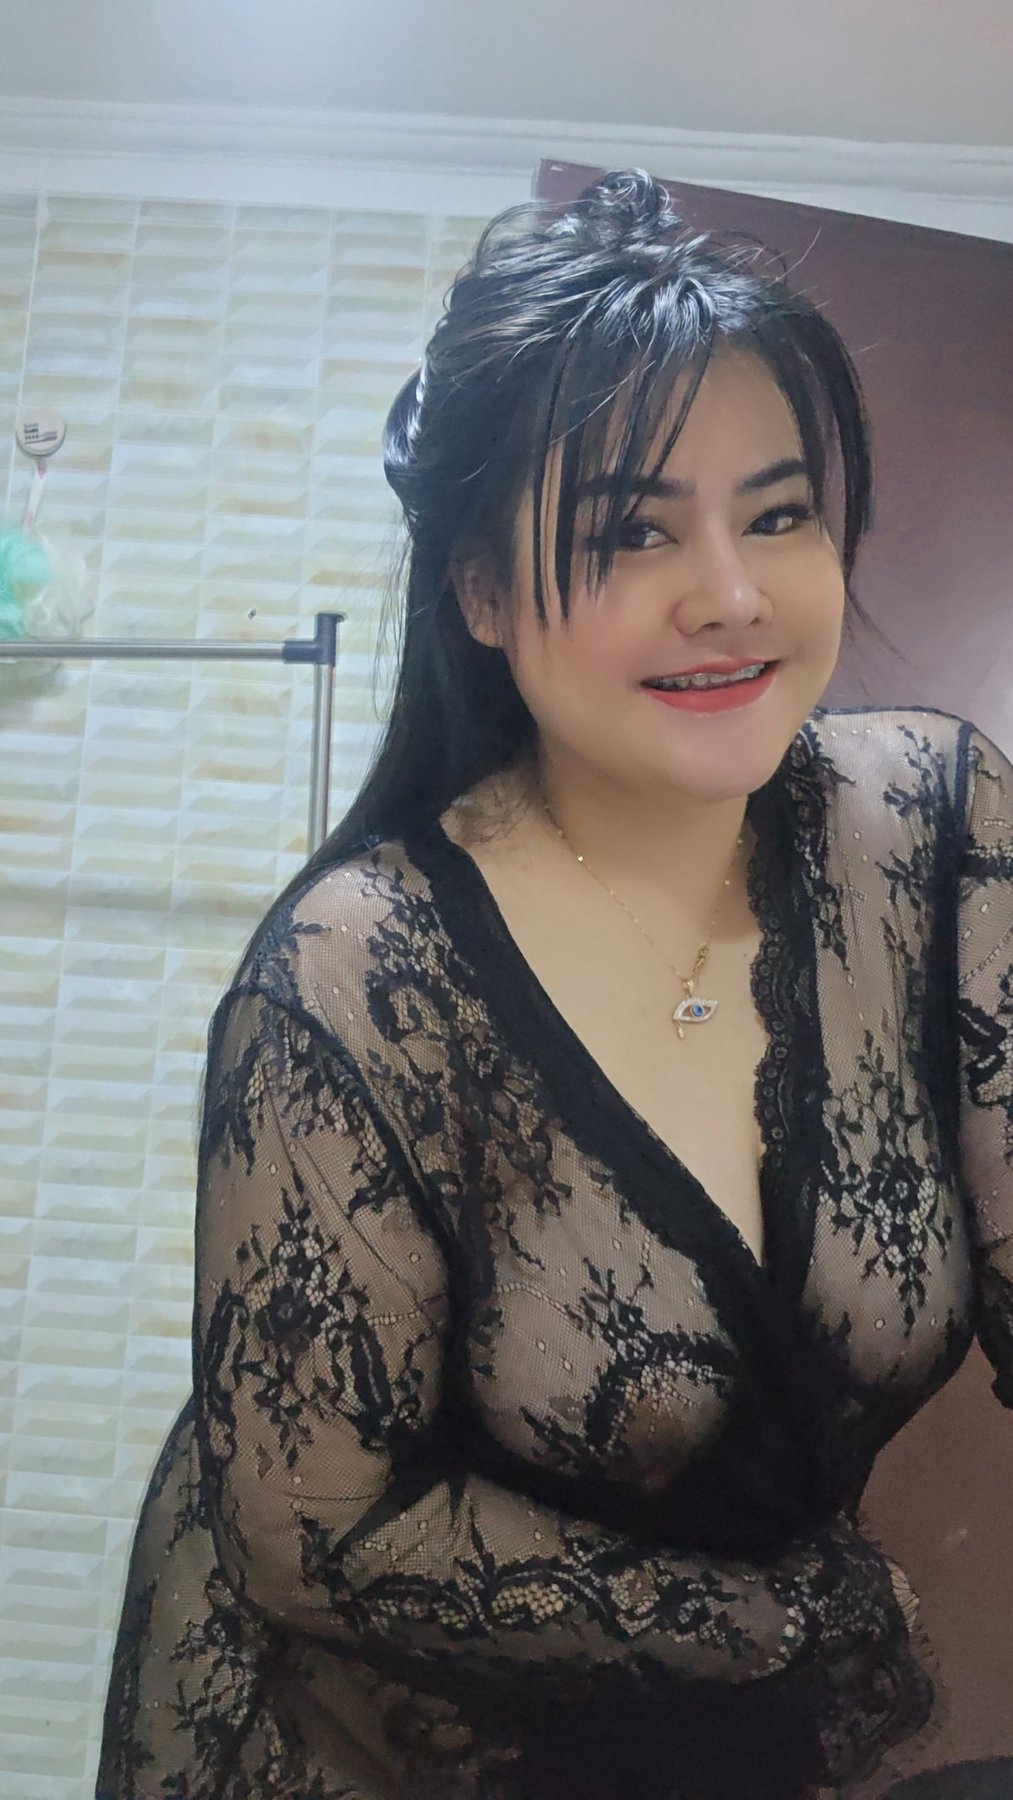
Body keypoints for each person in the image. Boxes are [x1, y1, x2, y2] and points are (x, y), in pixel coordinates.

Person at [96, 170, 1013, 1800]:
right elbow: (318, 1531)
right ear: (480, 592)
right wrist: (785, 1624)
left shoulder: (932, 830)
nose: (730, 591)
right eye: (631, 530)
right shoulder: (356, 977)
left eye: (778, 513)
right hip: (374, 1740)